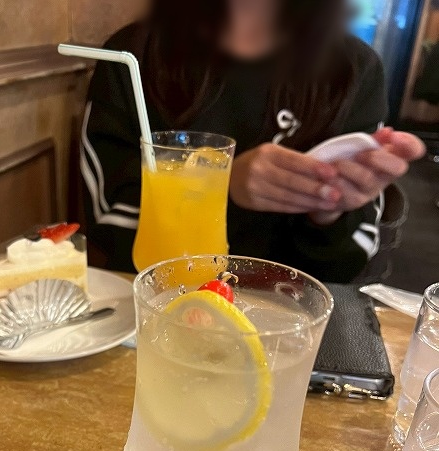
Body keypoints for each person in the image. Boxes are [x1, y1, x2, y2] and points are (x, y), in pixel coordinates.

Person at [81, 0, 426, 281]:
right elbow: (107, 224)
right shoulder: (135, 53)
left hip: (295, 309)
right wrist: (224, 187)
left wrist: (329, 208)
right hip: (160, 298)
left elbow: (347, 263)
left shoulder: (354, 69)